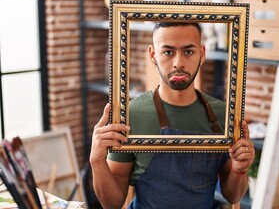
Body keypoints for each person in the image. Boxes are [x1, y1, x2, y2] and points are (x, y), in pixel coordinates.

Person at [90, 22, 255, 209]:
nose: (178, 63)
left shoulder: (223, 115)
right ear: (153, 55)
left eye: (188, 52)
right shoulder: (131, 115)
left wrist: (239, 169)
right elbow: (112, 204)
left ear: (202, 54)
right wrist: (97, 160)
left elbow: (232, 195)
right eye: (168, 52)